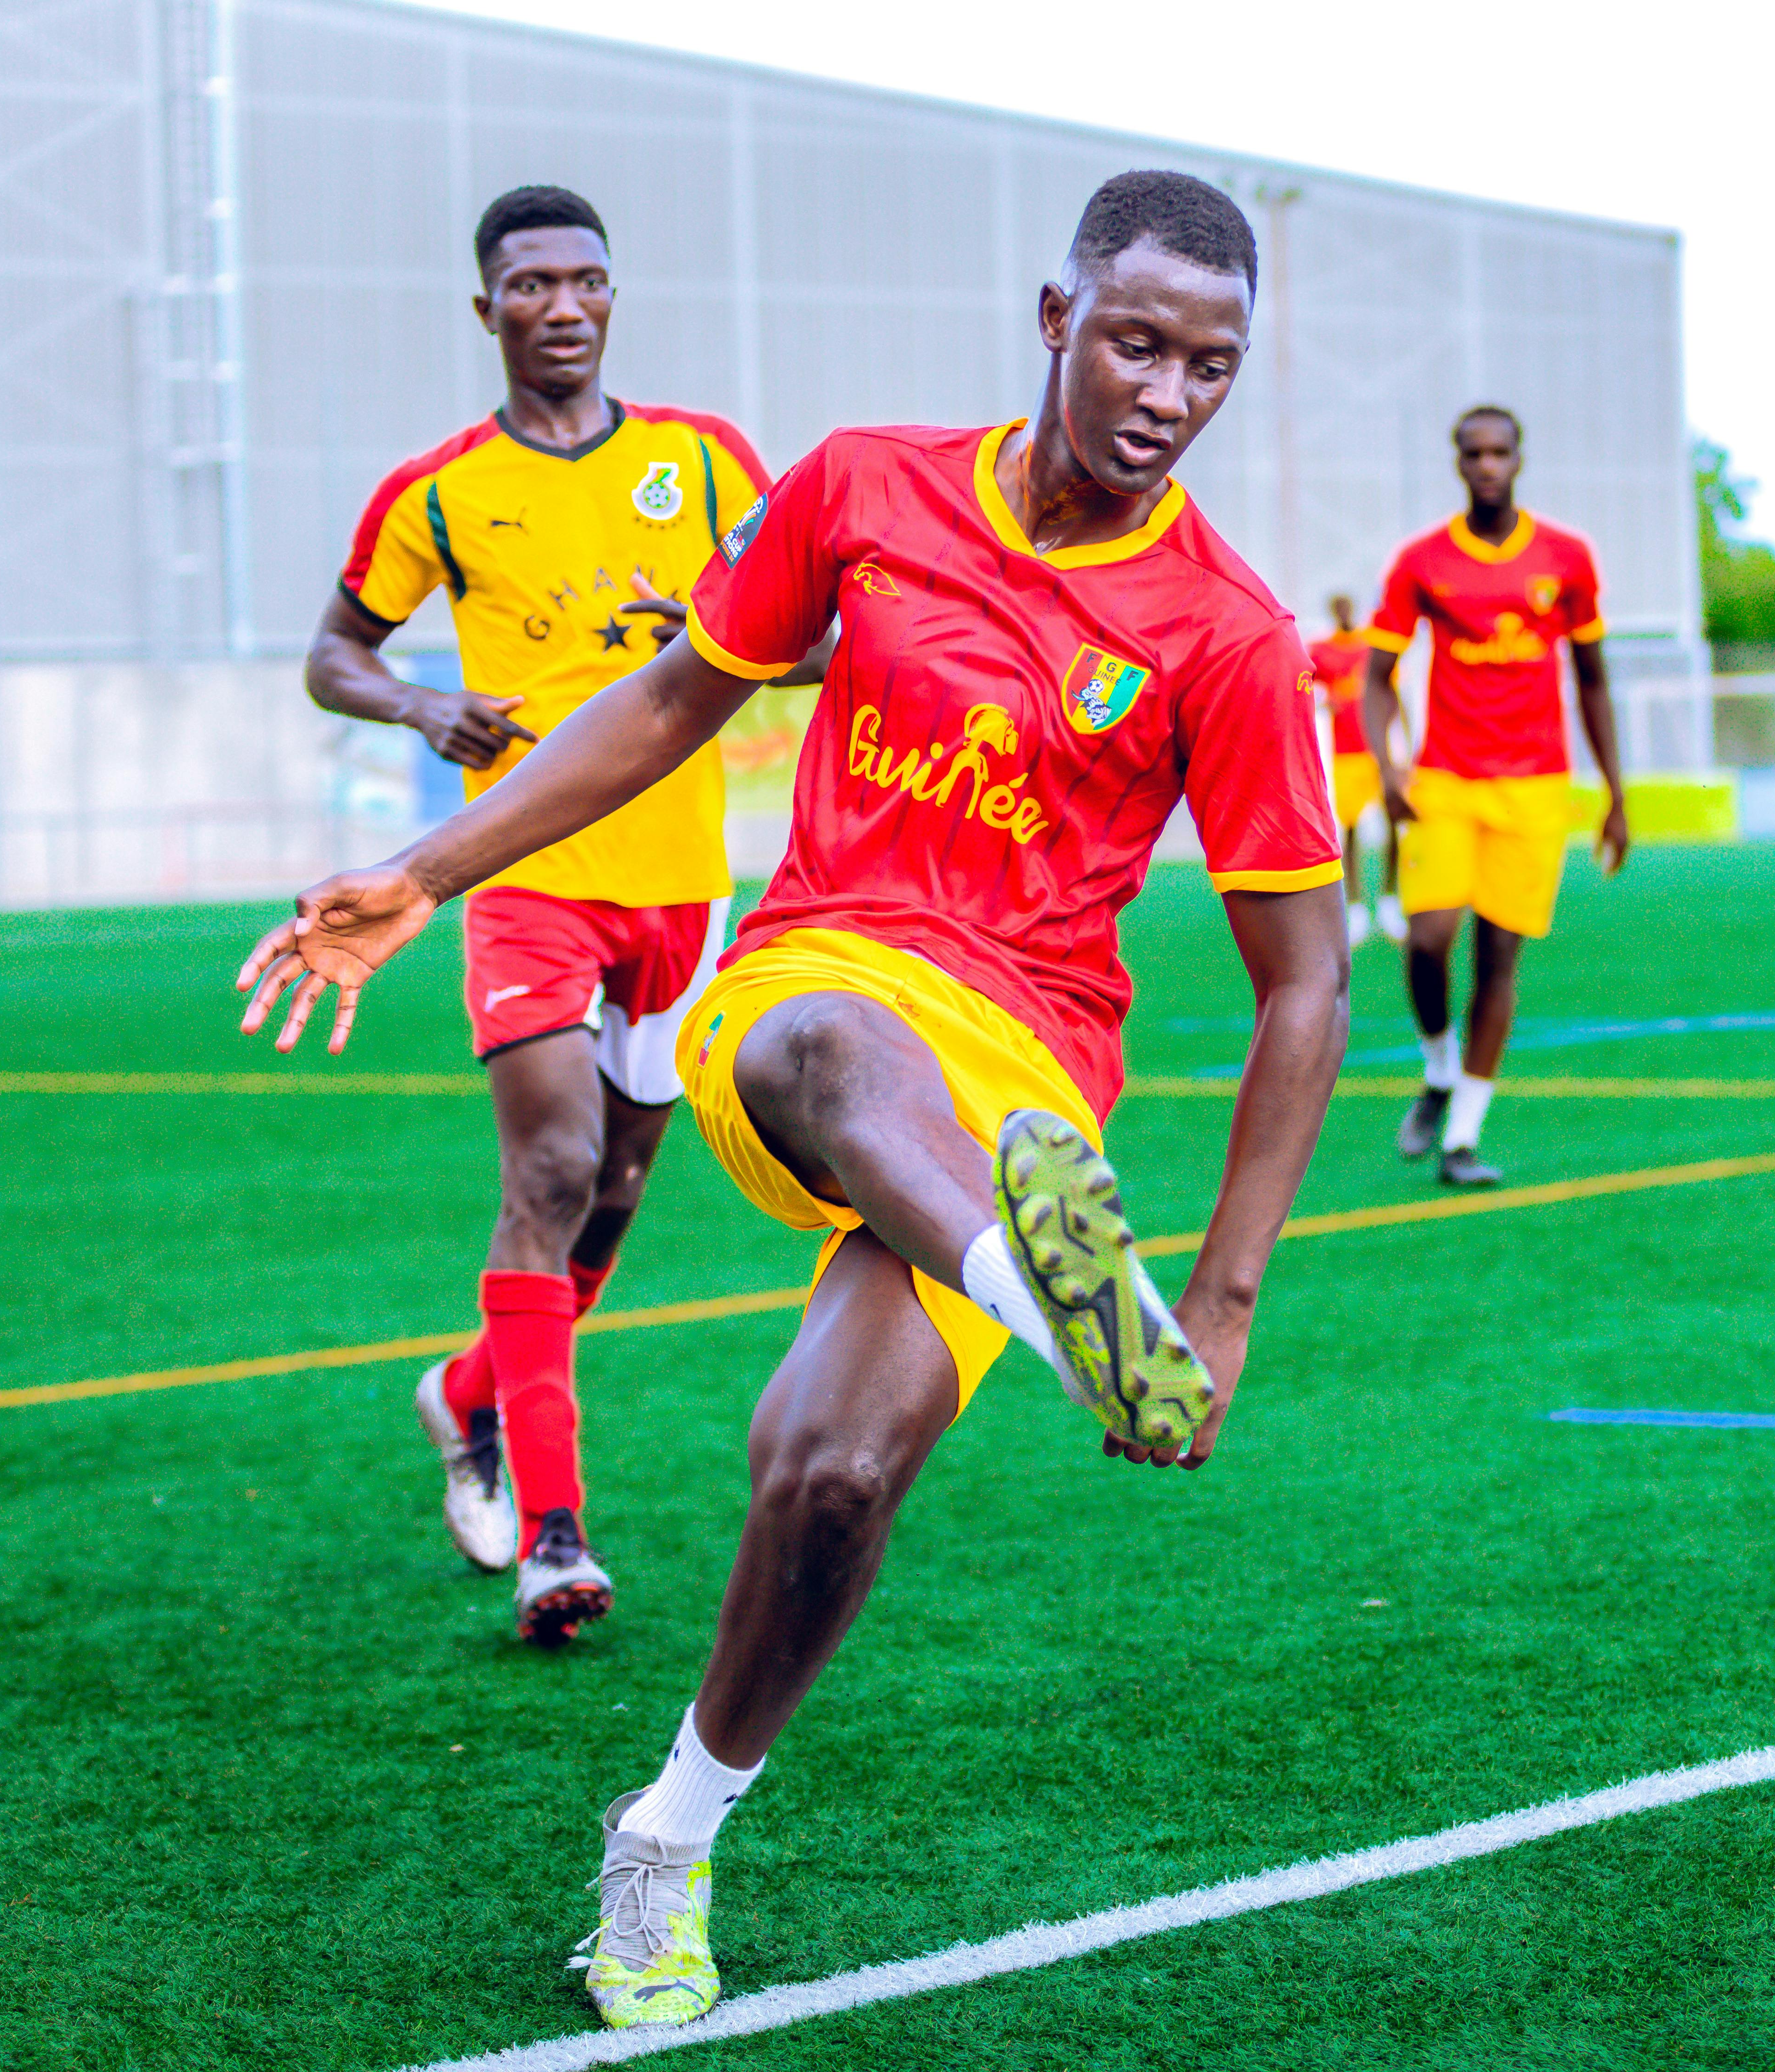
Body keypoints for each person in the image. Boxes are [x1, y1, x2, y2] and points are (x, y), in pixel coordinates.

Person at [237, 169, 1346, 2030]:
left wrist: (1225, 1304)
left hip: (1022, 1079)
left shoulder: (1229, 633)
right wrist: (425, 873)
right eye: (1137, 344)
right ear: (1057, 318)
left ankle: (664, 1839)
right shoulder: (862, 488)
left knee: (830, 1466)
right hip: (812, 989)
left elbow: (1305, 981)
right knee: (830, 1048)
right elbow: (673, 703)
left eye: (1211, 367)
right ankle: (1068, 1316)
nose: (1168, 394)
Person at [299, 183, 770, 1646]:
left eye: (586, 281)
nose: (562, 306)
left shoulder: (704, 461)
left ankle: (469, 1395)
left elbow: (811, 629)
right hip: (522, 878)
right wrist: (418, 701)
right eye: (530, 285)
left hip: (682, 888)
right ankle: (555, 1540)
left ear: (613, 296)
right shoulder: (439, 491)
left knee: (614, 1194)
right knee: (553, 1166)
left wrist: (725, 644)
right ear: (486, 307)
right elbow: (332, 653)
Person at [1359, 407, 1628, 1188]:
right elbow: (1377, 679)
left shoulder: (1567, 558)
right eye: (1473, 454)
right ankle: (1438, 1066)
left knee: (1499, 959)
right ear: (1458, 462)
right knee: (1428, 939)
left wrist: (1615, 793)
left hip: (1537, 786)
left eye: (1499, 453)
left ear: (1519, 459)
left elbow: (1593, 678)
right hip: (1446, 778)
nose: (1487, 465)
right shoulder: (1422, 562)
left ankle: (1463, 1139)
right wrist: (1390, 767)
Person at [1308, 592, 1402, 946]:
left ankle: (1390, 901)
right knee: (1350, 829)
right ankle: (1357, 907)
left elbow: (1392, 693)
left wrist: (1403, 741)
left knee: (1395, 823)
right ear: (1334, 613)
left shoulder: (1371, 646)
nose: (1345, 614)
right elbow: (1303, 687)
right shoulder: (1321, 651)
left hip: (1379, 753)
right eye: (1340, 610)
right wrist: (1324, 700)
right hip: (1346, 754)